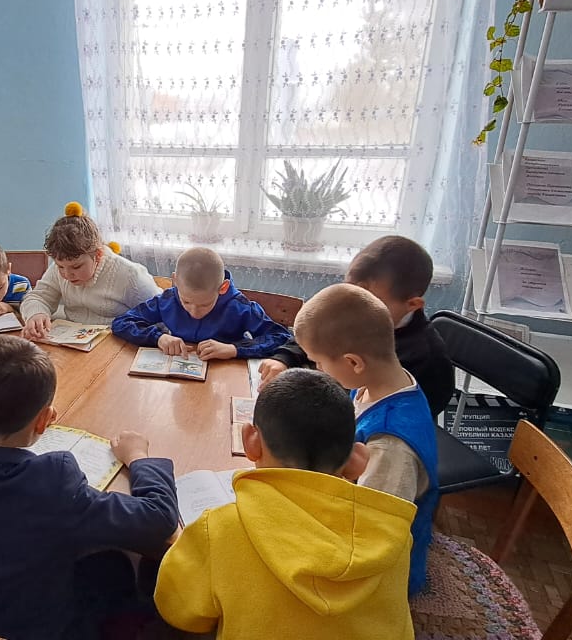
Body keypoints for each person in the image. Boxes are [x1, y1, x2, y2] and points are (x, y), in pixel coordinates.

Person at [0, 336, 179, 640]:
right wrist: (138, 458)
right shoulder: (54, 480)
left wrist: (0, 418)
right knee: (115, 567)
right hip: (39, 630)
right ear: (45, 420)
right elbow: (159, 518)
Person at [154, 369, 416, 639]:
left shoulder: (219, 529)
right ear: (357, 460)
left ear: (251, 442)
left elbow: (179, 610)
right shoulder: (393, 531)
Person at [292, 283, 438, 596]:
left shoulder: (390, 446)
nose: (318, 369)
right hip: (346, 508)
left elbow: (373, 538)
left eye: (319, 362)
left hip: (378, 573)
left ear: (353, 362)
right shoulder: (379, 382)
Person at [260, 235, 454, 417]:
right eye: (351, 292)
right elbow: (316, 330)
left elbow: (362, 413)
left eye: (370, 300)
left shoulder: (424, 362)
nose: (352, 308)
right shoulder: (354, 310)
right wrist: (284, 358)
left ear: (412, 304)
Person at [111, 247, 292, 360]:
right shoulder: (167, 300)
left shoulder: (240, 307)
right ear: (175, 281)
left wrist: (234, 349)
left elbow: (281, 337)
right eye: (186, 301)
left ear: (223, 288)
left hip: (225, 379)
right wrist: (158, 337)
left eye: (204, 304)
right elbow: (122, 322)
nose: (194, 312)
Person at [21, 202, 161, 338]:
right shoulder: (62, 266)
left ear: (98, 255)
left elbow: (162, 314)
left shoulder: (130, 275)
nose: (67, 274)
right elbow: (37, 297)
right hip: (74, 341)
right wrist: (36, 313)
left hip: (118, 343)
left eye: (76, 267)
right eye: (60, 266)